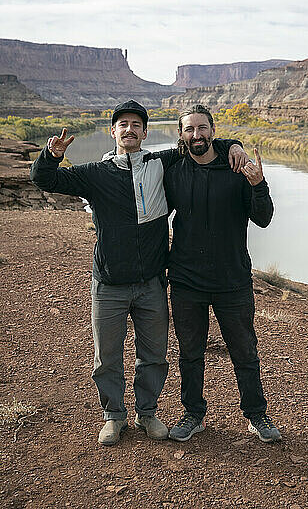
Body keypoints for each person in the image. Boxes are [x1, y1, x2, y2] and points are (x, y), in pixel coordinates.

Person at [30, 99, 247, 446]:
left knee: (154, 356)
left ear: (145, 132)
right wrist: (51, 154)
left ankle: (147, 414)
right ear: (113, 131)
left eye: (136, 124)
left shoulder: (162, 162)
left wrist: (232, 145)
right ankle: (113, 417)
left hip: (151, 284)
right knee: (107, 357)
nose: (129, 129)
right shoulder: (94, 174)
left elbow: (199, 142)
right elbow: (44, 179)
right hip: (109, 284)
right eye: (122, 124)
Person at [164, 104, 282, 443]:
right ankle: (193, 414)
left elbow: (263, 218)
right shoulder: (173, 168)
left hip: (233, 280)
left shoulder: (237, 167)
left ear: (213, 131)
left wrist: (259, 184)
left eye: (203, 128)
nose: (197, 135)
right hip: (186, 280)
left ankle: (257, 415)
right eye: (190, 129)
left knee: (244, 350)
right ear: (181, 134)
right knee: (190, 352)